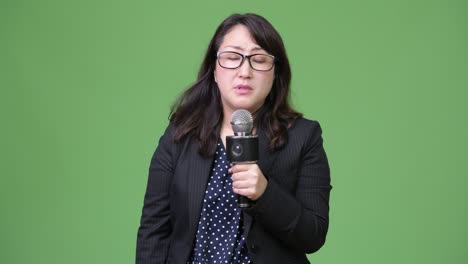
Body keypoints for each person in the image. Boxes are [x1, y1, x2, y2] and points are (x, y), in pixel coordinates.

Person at [136, 13, 332, 264]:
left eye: (259, 60)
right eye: (232, 58)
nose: (245, 71)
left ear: (275, 74)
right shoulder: (180, 134)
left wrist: (265, 192)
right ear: (214, 69)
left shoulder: (304, 136)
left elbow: (313, 235)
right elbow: (153, 232)